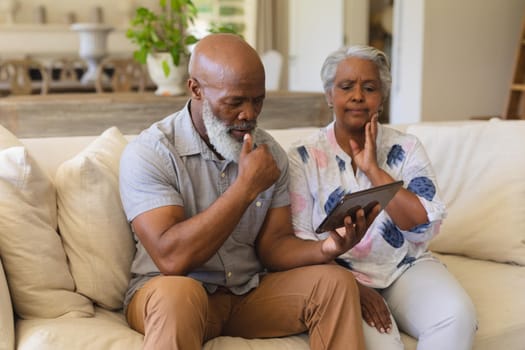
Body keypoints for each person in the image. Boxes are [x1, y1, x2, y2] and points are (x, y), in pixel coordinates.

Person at [119, 33, 378, 350]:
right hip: (170, 293)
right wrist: (244, 189)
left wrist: (326, 249)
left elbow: (274, 246)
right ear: (196, 89)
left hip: (245, 294)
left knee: (335, 282)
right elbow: (171, 259)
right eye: (234, 102)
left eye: (258, 100)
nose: (249, 114)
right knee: (178, 294)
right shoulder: (152, 152)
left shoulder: (269, 153)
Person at [287, 45, 478, 350]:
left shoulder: (407, 148)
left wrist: (374, 170)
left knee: (456, 317)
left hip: (405, 267)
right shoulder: (303, 156)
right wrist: (349, 286)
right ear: (328, 95)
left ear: (382, 97)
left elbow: (422, 224)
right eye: (346, 86)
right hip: (338, 276)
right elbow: (298, 241)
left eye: (370, 87)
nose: (358, 96)